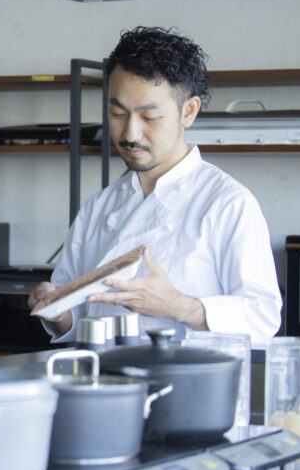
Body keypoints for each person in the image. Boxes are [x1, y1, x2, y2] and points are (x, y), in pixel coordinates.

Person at [28, 26, 282, 346]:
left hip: (192, 388)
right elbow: (76, 318)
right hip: (105, 387)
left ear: (188, 111)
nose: (130, 133)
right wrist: (57, 312)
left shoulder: (227, 203)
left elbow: (263, 316)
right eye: (117, 113)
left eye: (149, 118)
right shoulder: (99, 207)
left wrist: (176, 305)